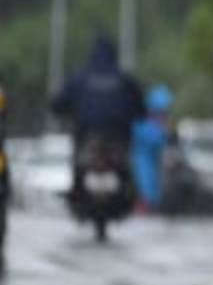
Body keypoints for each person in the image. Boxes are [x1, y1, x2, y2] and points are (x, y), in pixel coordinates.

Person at [51, 37, 146, 190]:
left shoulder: (79, 78)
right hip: (117, 138)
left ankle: (76, 187)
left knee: (78, 162)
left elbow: (58, 104)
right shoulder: (124, 79)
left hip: (87, 137)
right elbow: (141, 107)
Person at [131, 84, 173, 211]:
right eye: (162, 112)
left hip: (151, 168)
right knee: (145, 186)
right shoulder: (144, 124)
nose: (164, 115)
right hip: (141, 167)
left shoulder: (150, 124)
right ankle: (143, 204)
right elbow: (158, 140)